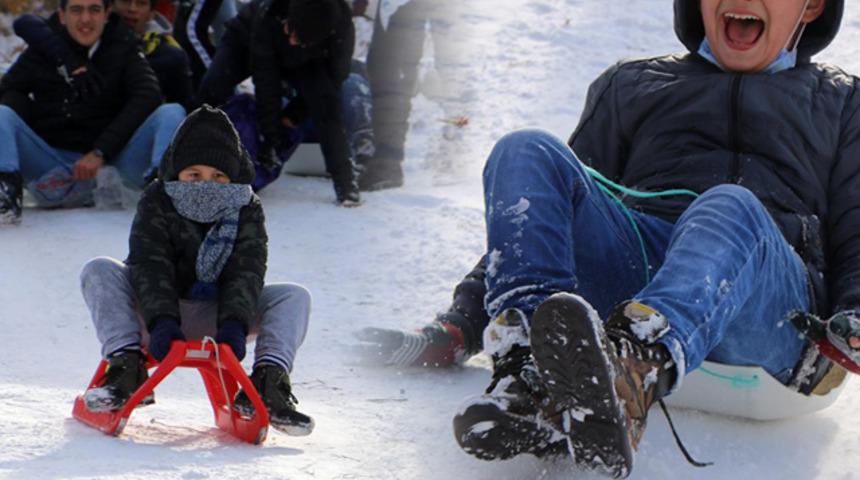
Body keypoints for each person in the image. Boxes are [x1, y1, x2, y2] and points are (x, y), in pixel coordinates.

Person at [362, 0, 860, 476]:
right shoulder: (633, 85)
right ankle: (528, 364)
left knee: (729, 205)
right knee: (525, 151)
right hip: (640, 274)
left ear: (811, 7)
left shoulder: (843, 103)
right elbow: (551, 216)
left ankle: (634, 372)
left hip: (764, 302)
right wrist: (464, 321)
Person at [78, 105, 315, 436]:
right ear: (178, 174)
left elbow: (246, 270)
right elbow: (150, 262)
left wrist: (234, 323)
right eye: (195, 175)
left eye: (219, 177)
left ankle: (268, 381)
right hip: (152, 314)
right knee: (100, 269)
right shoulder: (158, 198)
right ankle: (125, 366)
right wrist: (162, 322)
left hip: (219, 316)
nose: (207, 184)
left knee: (293, 296)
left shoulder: (245, 206)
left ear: (233, 177)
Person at [0, 0, 185, 224]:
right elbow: (8, 90)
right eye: (77, 10)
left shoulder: (123, 46)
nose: (85, 19)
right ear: (62, 15)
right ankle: (5, 195)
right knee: (2, 114)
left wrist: (101, 151)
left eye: (94, 10)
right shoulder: (43, 51)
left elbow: (148, 95)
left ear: (107, 14)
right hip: (53, 168)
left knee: (172, 112)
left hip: (115, 168)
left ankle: (163, 197)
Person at [194, 0, 361, 206]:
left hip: (309, 56)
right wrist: (270, 136)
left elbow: (334, 81)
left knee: (326, 106)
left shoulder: (341, 30)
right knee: (212, 87)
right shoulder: (271, 11)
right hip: (249, 38)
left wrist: (294, 114)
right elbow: (267, 82)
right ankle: (190, 163)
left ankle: (346, 182)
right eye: (290, 30)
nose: (291, 40)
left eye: (297, 37)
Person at [13, 0, 194, 108]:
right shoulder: (84, 39)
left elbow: (182, 107)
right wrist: (68, 60)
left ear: (151, 14)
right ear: (111, 8)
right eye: (125, 1)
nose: (132, 9)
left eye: (140, 3)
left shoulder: (169, 56)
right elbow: (28, 23)